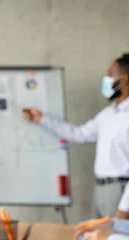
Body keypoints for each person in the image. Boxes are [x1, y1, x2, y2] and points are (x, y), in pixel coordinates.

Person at [24, 54, 129, 219]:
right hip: (101, 190)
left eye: (110, 74)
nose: (107, 80)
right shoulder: (108, 114)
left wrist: (125, 209)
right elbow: (78, 134)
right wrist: (42, 119)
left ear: (125, 79)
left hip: (121, 191)